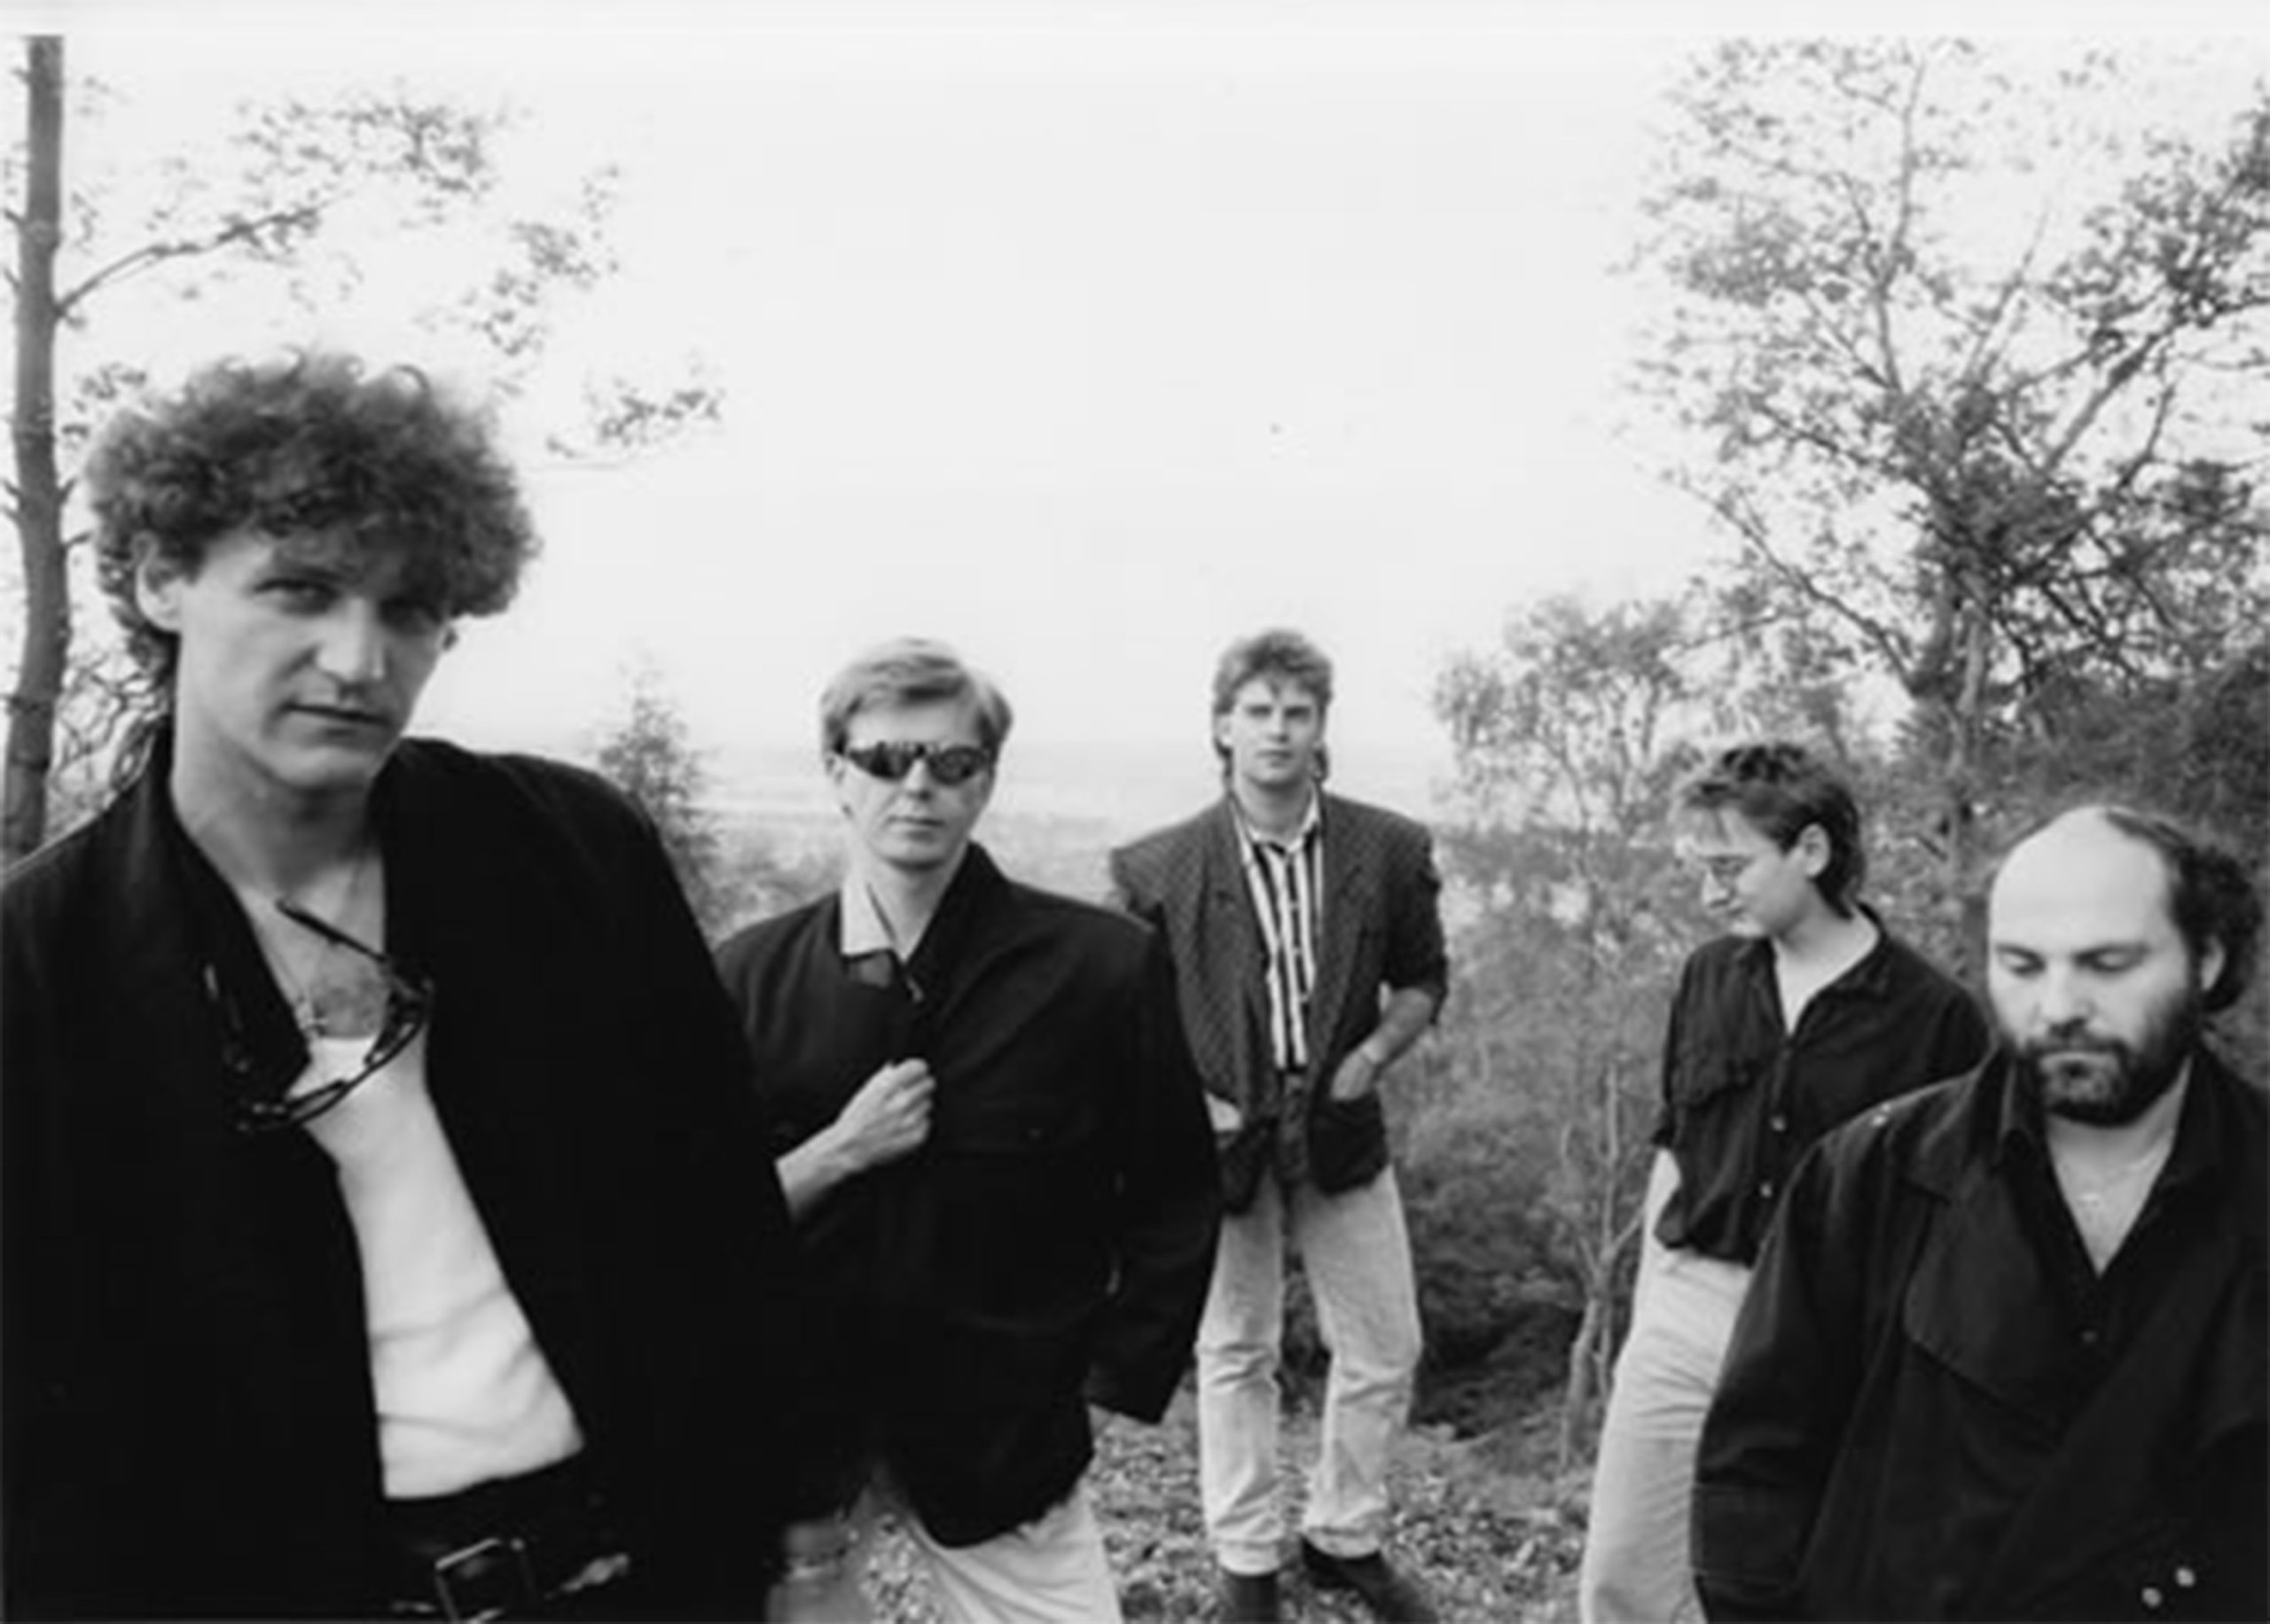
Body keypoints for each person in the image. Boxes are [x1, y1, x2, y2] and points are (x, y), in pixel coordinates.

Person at [0, 352, 802, 1620]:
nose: (359, 657)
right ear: (161, 578)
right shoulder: (40, 961)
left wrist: (793, 1546)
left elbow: (726, 1229)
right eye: (301, 589)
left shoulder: (567, 850)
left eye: (412, 606)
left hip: (635, 1575)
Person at [714, 636, 1221, 1624]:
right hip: (798, 1417)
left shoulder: (1101, 969)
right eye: (884, 759)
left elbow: (1175, 1188)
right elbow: (699, 1213)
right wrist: (836, 1152)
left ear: (986, 780)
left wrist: (1110, 1377)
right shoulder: (748, 978)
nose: (918, 786)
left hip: (1002, 1423)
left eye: (952, 762)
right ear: (836, 774)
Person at [1694, 805, 2268, 1621]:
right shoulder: (1865, 1181)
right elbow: (1753, 1480)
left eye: (2107, 963)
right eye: (2022, 965)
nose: (2059, 1006)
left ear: (2205, 959)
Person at [1578, 740, 1988, 1624]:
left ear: (1810, 850)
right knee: (1621, 1576)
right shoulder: (1707, 975)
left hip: (1830, 1336)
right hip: (1689, 1306)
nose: (1708, 892)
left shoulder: (1936, 1016)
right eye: (1699, 868)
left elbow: (1956, 1227)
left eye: (1729, 867)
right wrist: (1651, 1309)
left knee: (1784, 1585)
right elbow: (1675, 1144)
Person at [1109, 629, 1449, 1624]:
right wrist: (1188, 1103)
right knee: (1233, 1349)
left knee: (1385, 1340)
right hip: (1221, 1136)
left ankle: (1343, 1535)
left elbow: (1424, 978)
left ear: (1320, 726)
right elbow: (1127, 1017)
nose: (1278, 730)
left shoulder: (1386, 848)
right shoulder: (1158, 866)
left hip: (1340, 1123)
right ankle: (1246, 1561)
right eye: (1257, 711)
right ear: (1223, 726)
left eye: (1297, 712)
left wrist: (1372, 1056)